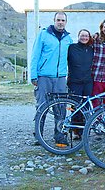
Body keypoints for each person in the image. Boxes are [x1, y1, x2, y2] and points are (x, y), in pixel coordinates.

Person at [30, 11, 73, 147]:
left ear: (66, 22)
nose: (60, 22)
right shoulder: (43, 34)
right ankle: (39, 135)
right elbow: (35, 55)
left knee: (60, 107)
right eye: (58, 20)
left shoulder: (68, 39)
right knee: (41, 105)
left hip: (60, 78)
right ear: (54, 20)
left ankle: (59, 135)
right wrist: (33, 75)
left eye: (63, 20)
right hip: (44, 77)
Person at [67, 29, 93, 139]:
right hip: (74, 82)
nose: (84, 38)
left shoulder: (91, 49)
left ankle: (83, 130)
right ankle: (74, 130)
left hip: (87, 82)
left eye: (86, 36)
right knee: (75, 107)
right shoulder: (71, 48)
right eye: (82, 36)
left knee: (86, 107)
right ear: (78, 36)